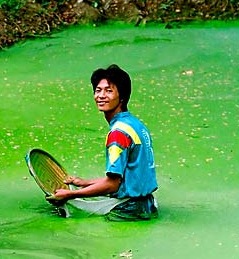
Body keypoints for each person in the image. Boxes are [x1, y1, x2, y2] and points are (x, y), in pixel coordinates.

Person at [48, 64, 158, 220]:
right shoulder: (136, 125)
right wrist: (84, 183)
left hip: (128, 210)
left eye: (109, 90)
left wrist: (71, 194)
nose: (101, 95)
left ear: (122, 97)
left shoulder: (118, 134)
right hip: (147, 205)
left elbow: (113, 184)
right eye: (98, 90)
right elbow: (126, 178)